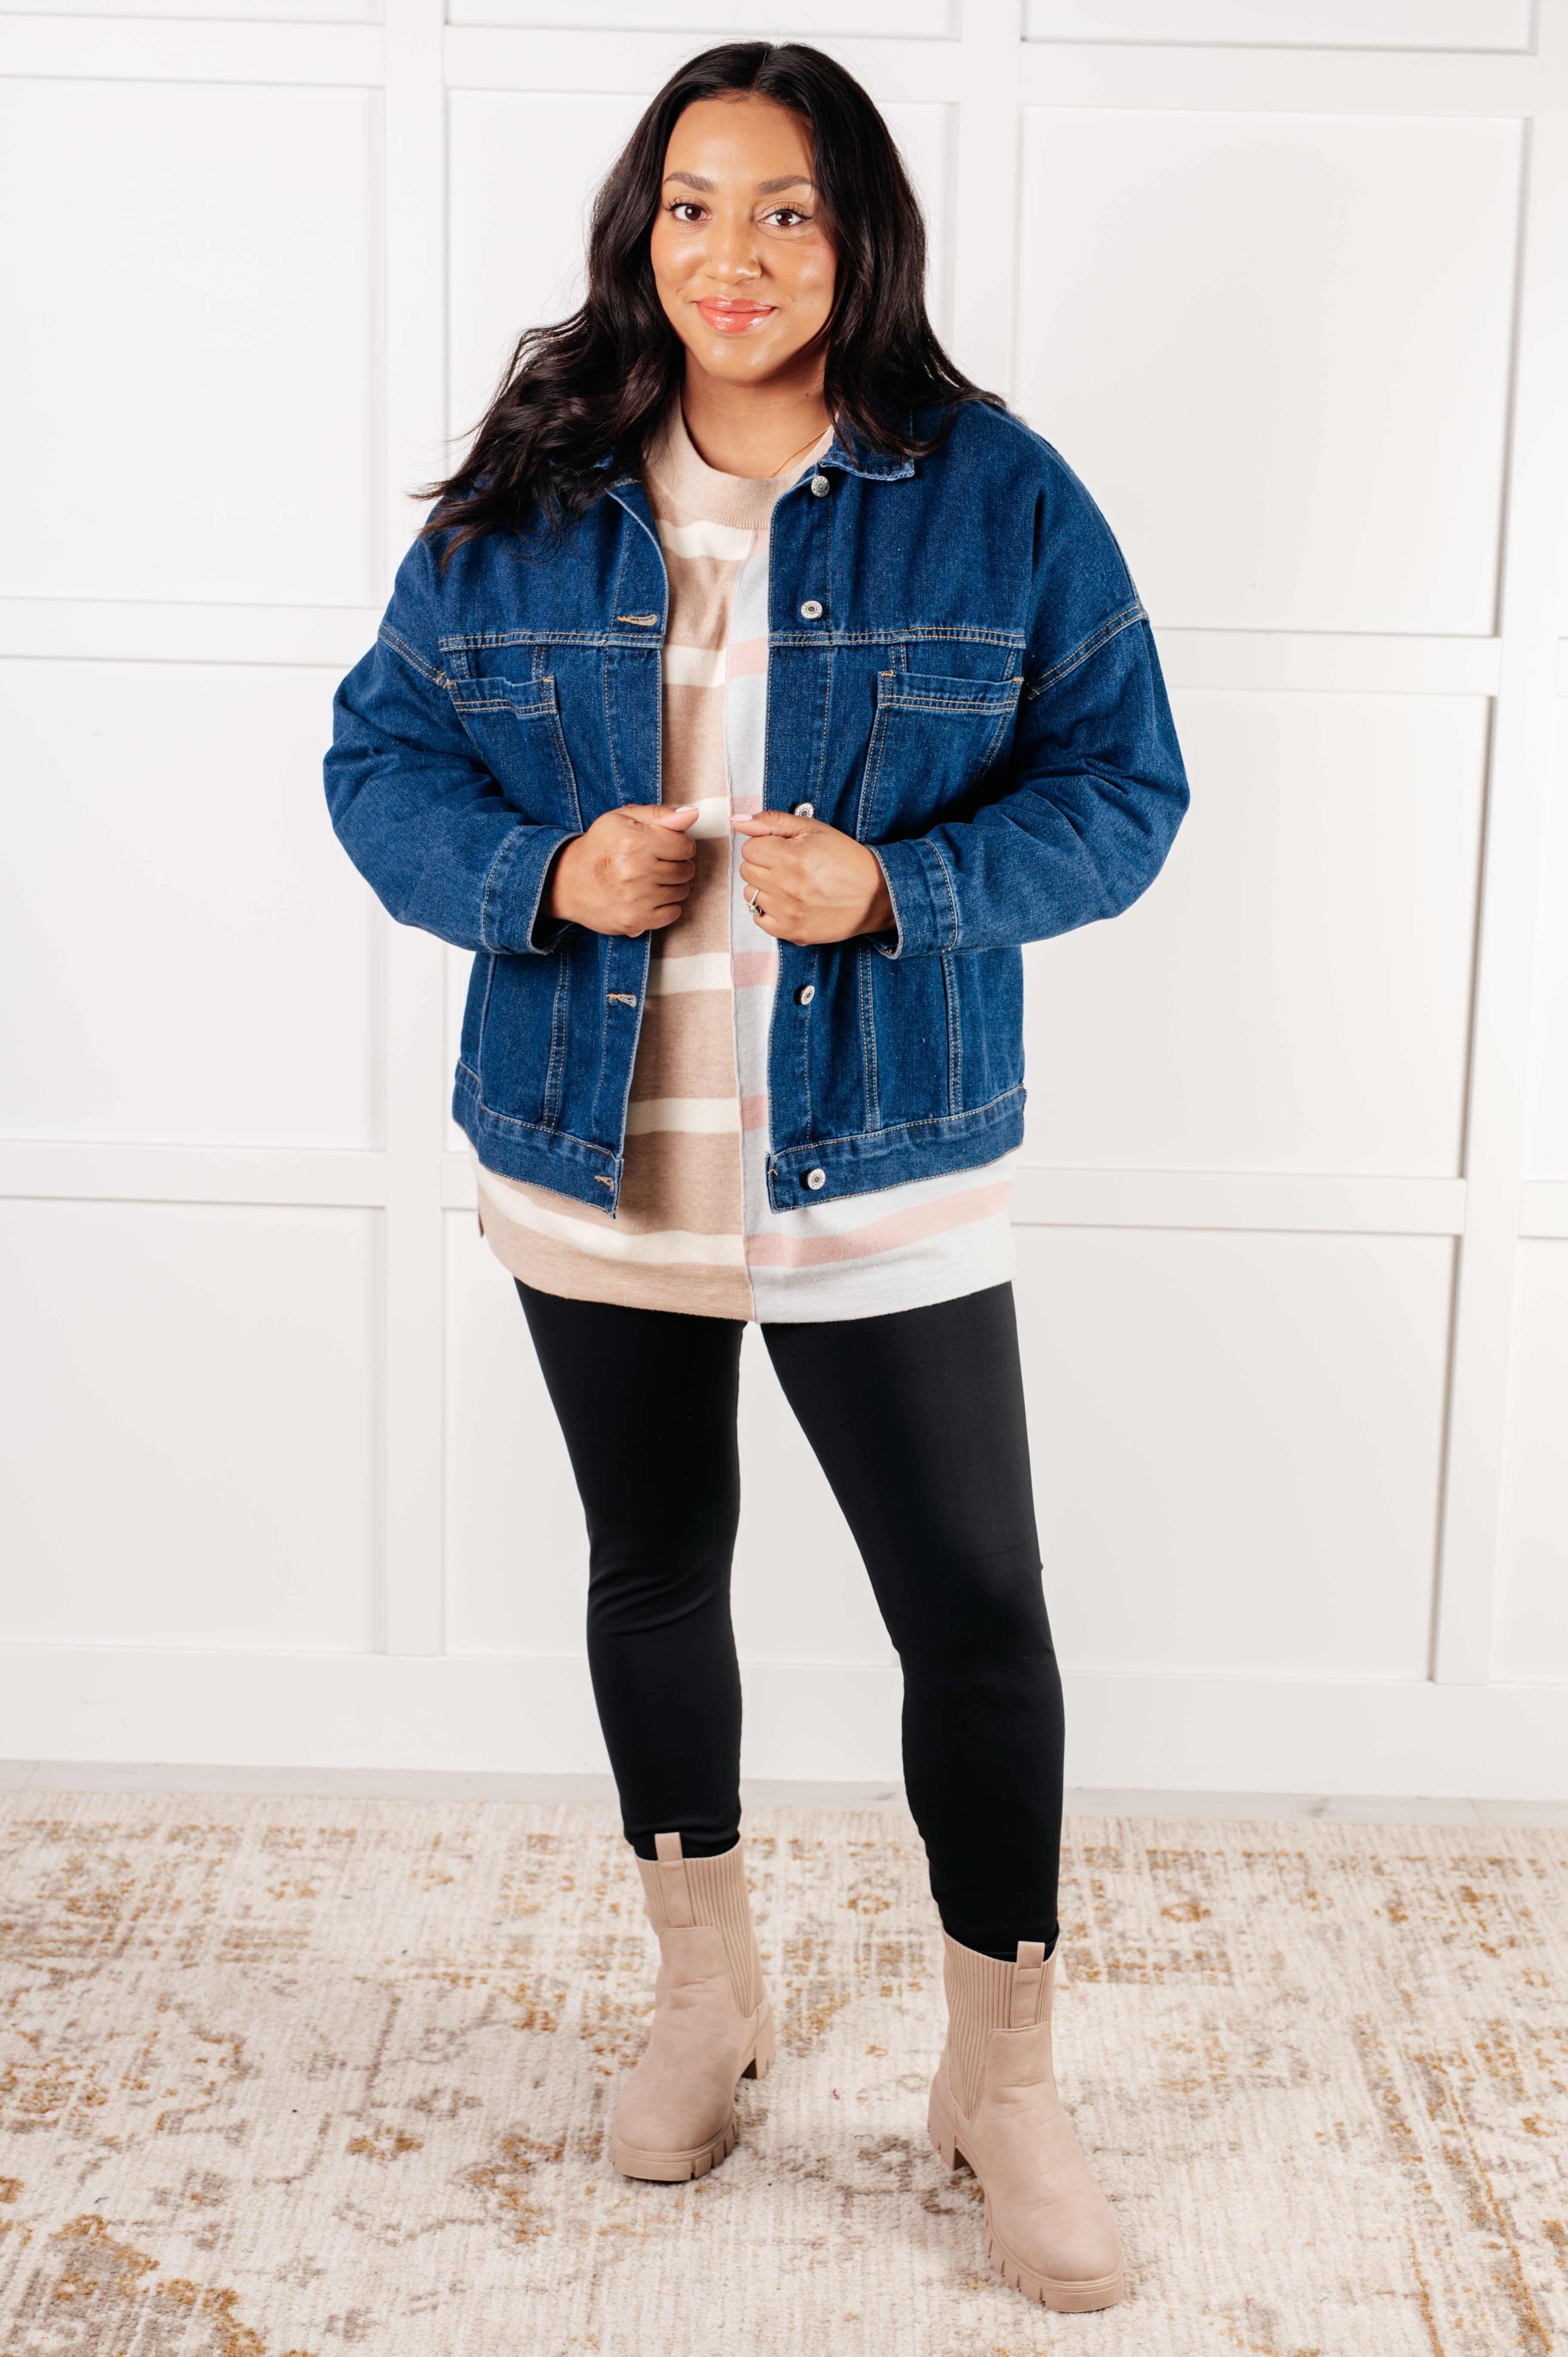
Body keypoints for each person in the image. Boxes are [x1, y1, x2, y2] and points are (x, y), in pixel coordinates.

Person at [325, 39, 1186, 2313]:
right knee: (657, 1571)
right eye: (695, 207)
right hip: (595, 1164)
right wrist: (537, 868)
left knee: (977, 1628)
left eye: (786, 211)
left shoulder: (992, 495)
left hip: (880, 1165)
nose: (736, 255)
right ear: (641, 233)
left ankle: (999, 2080)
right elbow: (377, 755)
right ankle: (703, 2000)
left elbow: (1131, 789)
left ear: (857, 238)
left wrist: (903, 891)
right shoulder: (529, 496)